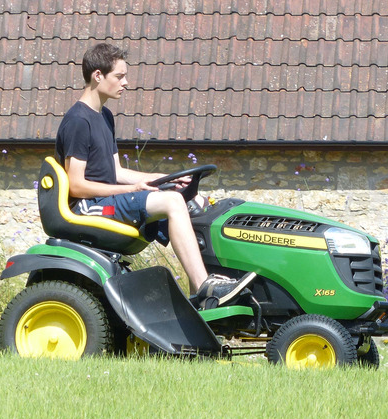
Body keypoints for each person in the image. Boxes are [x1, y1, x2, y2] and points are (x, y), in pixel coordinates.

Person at [55, 43, 247, 306]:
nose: (126, 83)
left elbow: (117, 172)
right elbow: (76, 186)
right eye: (119, 77)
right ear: (98, 76)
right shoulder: (78, 121)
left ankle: (205, 301)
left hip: (108, 200)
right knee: (171, 202)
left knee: (193, 202)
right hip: (89, 207)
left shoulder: (104, 116)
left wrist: (165, 178)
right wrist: (131, 191)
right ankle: (205, 287)